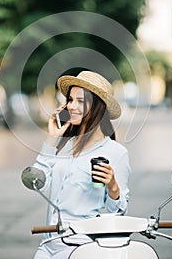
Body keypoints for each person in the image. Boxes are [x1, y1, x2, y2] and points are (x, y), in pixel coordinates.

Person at [31, 71, 131, 259]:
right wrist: (51, 140)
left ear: (98, 108)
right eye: (70, 100)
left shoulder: (116, 153)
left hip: (81, 245)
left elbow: (117, 214)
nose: (72, 106)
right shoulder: (64, 145)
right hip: (48, 243)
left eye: (80, 101)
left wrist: (113, 188)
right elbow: (40, 183)